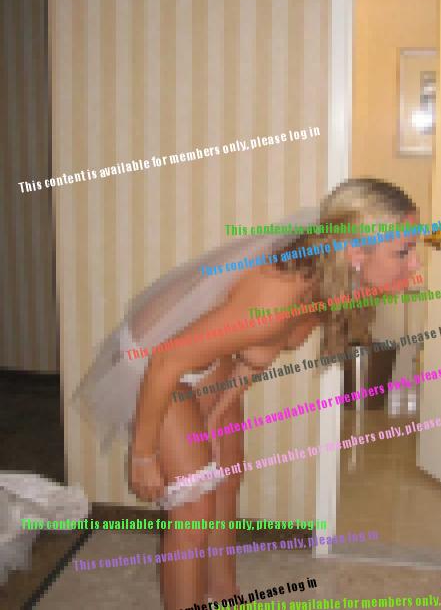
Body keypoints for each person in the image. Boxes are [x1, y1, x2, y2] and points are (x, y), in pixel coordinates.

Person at [75, 178, 420, 609]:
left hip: (202, 361)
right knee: (193, 506)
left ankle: (223, 593)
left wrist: (217, 411)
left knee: (228, 473)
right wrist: (142, 456)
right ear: (356, 252)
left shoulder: (329, 279)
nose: (414, 264)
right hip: (152, 362)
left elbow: (255, 355)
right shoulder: (278, 295)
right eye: (403, 252)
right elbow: (166, 361)